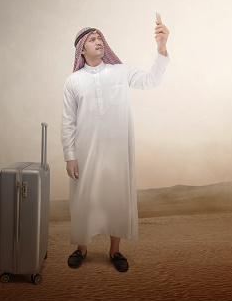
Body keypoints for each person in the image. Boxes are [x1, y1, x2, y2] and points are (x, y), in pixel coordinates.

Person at [61, 18, 170, 273]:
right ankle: (81, 249)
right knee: (83, 199)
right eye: (92, 40)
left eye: (100, 39)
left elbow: (150, 81)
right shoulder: (73, 81)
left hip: (117, 150)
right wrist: (70, 156)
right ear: (81, 50)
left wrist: (162, 49)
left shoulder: (120, 72)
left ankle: (115, 251)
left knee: (116, 198)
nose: (98, 42)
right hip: (85, 151)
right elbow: (67, 121)